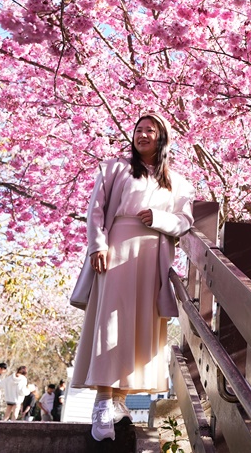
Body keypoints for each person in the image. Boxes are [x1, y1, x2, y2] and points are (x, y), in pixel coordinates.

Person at [69, 112, 195, 441]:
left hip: (152, 255)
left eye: (149, 131)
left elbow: (185, 221)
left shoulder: (179, 182)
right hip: (117, 249)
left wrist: (160, 219)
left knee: (140, 328)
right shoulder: (113, 169)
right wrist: (97, 245)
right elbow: (95, 210)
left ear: (162, 138)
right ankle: (102, 404)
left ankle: (120, 402)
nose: (142, 135)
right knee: (110, 322)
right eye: (138, 130)